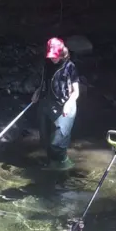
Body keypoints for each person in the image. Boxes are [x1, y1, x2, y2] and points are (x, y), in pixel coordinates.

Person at [31, 37, 80, 170]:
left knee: (58, 141)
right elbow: (44, 83)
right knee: (45, 138)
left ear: (62, 52)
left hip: (65, 106)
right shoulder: (47, 64)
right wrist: (37, 92)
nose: (53, 58)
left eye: (56, 55)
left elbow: (76, 92)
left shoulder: (70, 67)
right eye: (51, 55)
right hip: (47, 103)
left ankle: (64, 165)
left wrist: (69, 103)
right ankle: (51, 162)